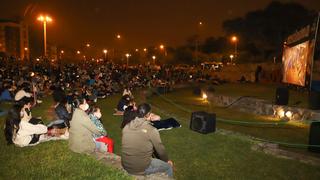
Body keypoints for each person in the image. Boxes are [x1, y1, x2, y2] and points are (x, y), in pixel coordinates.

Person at [121, 103, 173, 177]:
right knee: (168, 167)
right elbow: (160, 150)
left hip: (126, 164)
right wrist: (167, 160)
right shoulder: (151, 130)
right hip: (139, 168)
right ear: (149, 114)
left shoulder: (127, 126)